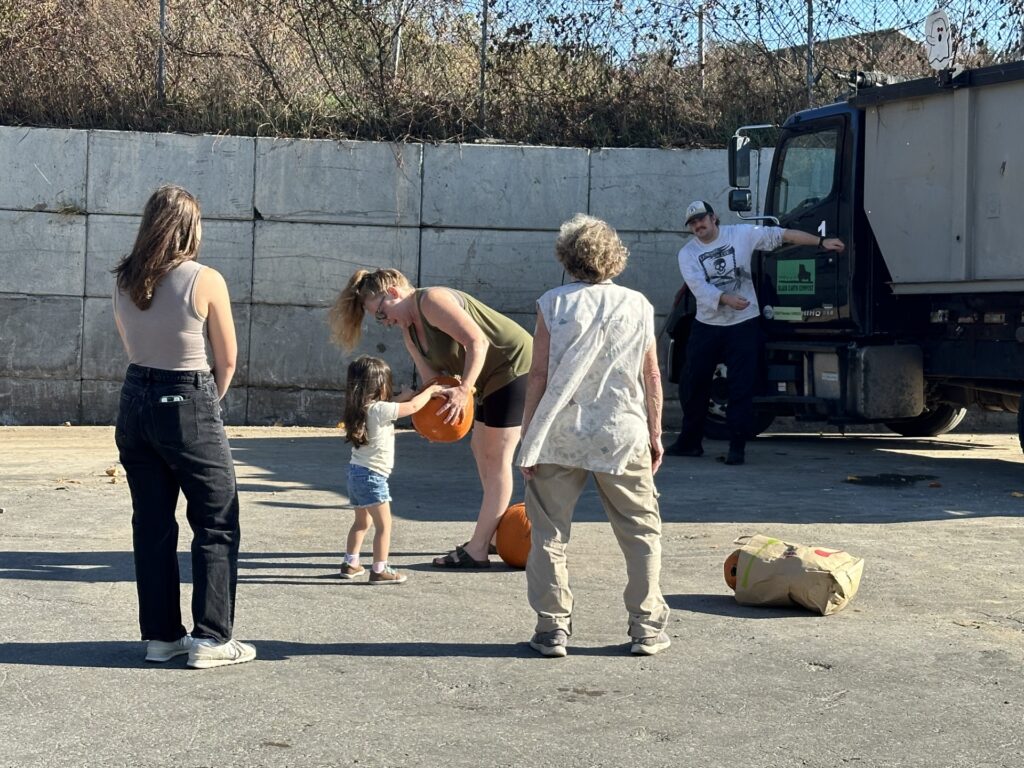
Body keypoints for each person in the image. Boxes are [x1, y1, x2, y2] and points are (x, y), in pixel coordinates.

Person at [112, 185, 255, 669]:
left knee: (151, 525)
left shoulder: (124, 279)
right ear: (191, 227)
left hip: (134, 401)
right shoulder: (205, 278)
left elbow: (134, 346)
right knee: (215, 519)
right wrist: (203, 408)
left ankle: (160, 637)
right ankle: (213, 640)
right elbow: (228, 359)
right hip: (187, 395)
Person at [517, 214, 670, 658]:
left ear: (566, 258)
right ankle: (645, 629)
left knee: (548, 533)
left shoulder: (552, 303)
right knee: (641, 531)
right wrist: (655, 432)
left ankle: (552, 629)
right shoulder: (639, 305)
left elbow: (539, 376)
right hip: (622, 432)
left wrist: (529, 437)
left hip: (560, 433)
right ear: (614, 256)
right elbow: (652, 375)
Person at [329, 268, 533, 569]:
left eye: (382, 313)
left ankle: (478, 549)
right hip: (487, 377)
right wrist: (427, 417)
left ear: (395, 292)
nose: (385, 322)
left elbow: (478, 343)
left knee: (497, 456)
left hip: (513, 365)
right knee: (481, 449)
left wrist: (465, 389)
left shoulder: (431, 300)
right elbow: (435, 382)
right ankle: (489, 534)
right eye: (378, 319)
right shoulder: (410, 330)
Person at [668, 200, 845, 465]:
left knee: (741, 386)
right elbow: (699, 289)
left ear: (714, 217)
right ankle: (690, 442)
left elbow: (782, 235)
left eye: (701, 219)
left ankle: (736, 448)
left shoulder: (740, 234)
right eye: (692, 223)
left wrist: (821, 243)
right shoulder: (688, 253)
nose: (698, 225)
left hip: (743, 324)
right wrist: (726, 299)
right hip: (708, 325)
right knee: (695, 384)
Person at [339, 355, 445, 584]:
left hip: (355, 473)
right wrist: (431, 391)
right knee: (384, 526)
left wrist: (410, 393)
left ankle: (351, 563)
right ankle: (379, 569)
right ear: (379, 385)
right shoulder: (381, 410)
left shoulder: (361, 408)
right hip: (373, 477)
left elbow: (400, 401)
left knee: (361, 523)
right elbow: (413, 406)